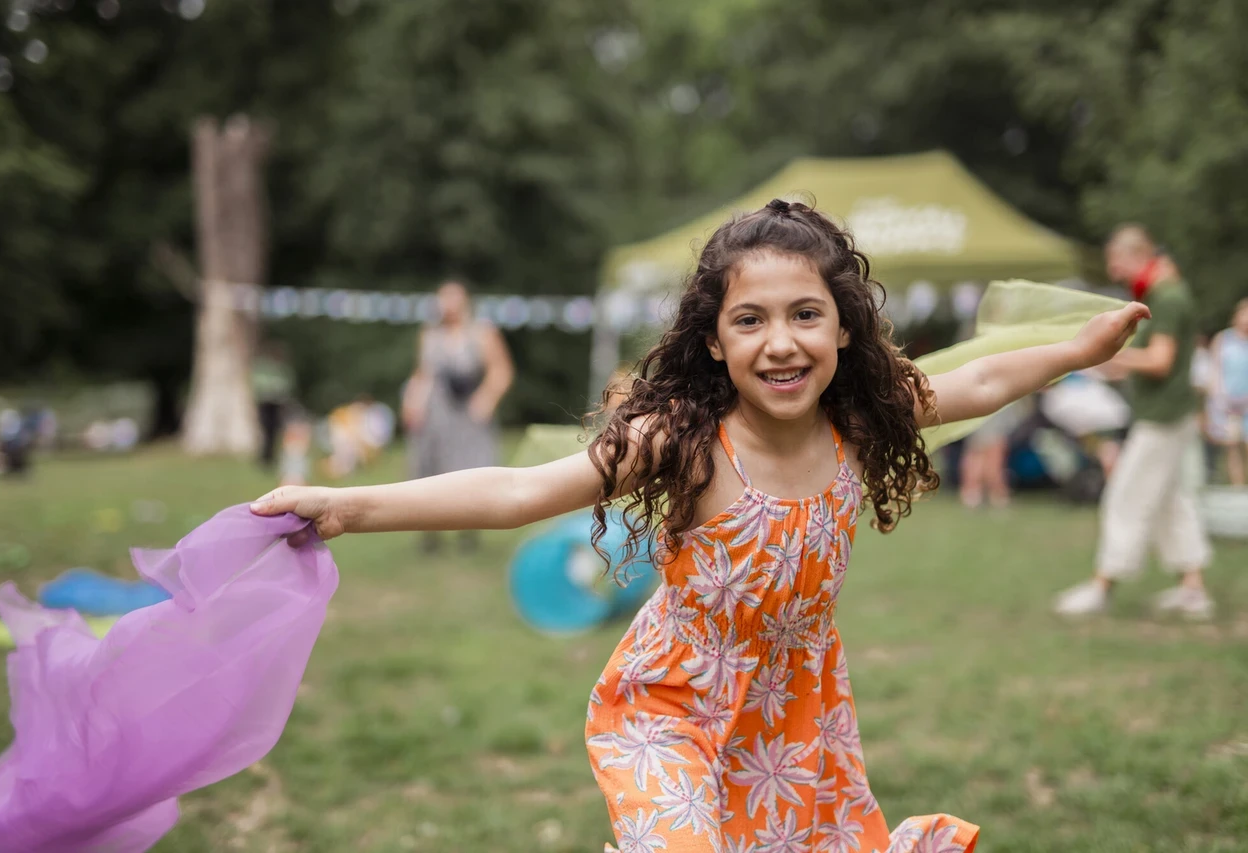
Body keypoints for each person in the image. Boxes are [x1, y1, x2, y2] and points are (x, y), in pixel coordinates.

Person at [252, 200, 1146, 853]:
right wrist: (348, 506)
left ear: (843, 327)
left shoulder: (864, 420)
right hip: (669, 706)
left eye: (806, 314)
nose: (782, 341)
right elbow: (517, 490)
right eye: (749, 320)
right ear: (715, 341)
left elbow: (982, 385)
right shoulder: (681, 442)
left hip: (796, 721)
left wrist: (1076, 351)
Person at [1055, 225, 1214, 619]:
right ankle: (1193, 590)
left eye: (1117, 261)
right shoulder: (1165, 294)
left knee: (1126, 495)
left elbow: (1160, 361)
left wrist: (1108, 357)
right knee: (1170, 502)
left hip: (1162, 417)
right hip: (1166, 414)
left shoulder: (1169, 297)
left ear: (1138, 255)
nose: (1114, 272)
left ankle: (1103, 584)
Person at [402, 280, 514, 553]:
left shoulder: (482, 333)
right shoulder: (430, 334)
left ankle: (469, 530)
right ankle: (429, 532)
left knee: (469, 468)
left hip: (467, 413)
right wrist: (412, 402)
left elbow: (501, 370)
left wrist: (485, 400)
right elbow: (422, 374)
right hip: (435, 413)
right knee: (429, 468)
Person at [1206, 298, 1248, 485]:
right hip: (1228, 402)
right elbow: (1215, 369)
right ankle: (1238, 486)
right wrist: (1217, 397)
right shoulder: (1223, 339)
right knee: (1231, 445)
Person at [251, 341, 297, 471]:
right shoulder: (263, 369)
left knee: (276, 432)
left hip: (278, 405)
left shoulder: (283, 370)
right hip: (266, 404)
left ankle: (273, 457)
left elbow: (287, 386)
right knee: (266, 431)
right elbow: (260, 386)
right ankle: (264, 458)